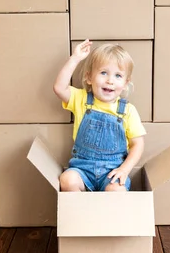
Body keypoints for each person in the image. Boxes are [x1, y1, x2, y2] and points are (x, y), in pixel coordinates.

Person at [53, 39, 146, 192]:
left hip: (112, 172)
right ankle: (80, 214)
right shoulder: (81, 99)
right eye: (103, 73)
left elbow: (138, 144)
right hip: (82, 169)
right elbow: (59, 88)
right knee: (67, 179)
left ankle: (107, 216)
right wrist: (75, 58)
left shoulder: (127, 111)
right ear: (89, 77)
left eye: (118, 76)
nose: (110, 81)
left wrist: (124, 170)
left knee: (116, 190)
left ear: (125, 83)